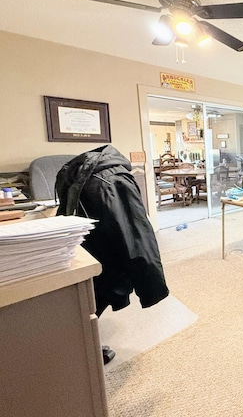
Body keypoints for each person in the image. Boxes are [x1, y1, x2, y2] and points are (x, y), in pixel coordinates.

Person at [55, 145, 169, 363]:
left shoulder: (75, 172)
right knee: (98, 295)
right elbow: (135, 234)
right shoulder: (115, 179)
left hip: (85, 250)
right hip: (106, 262)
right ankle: (80, 350)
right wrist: (151, 286)